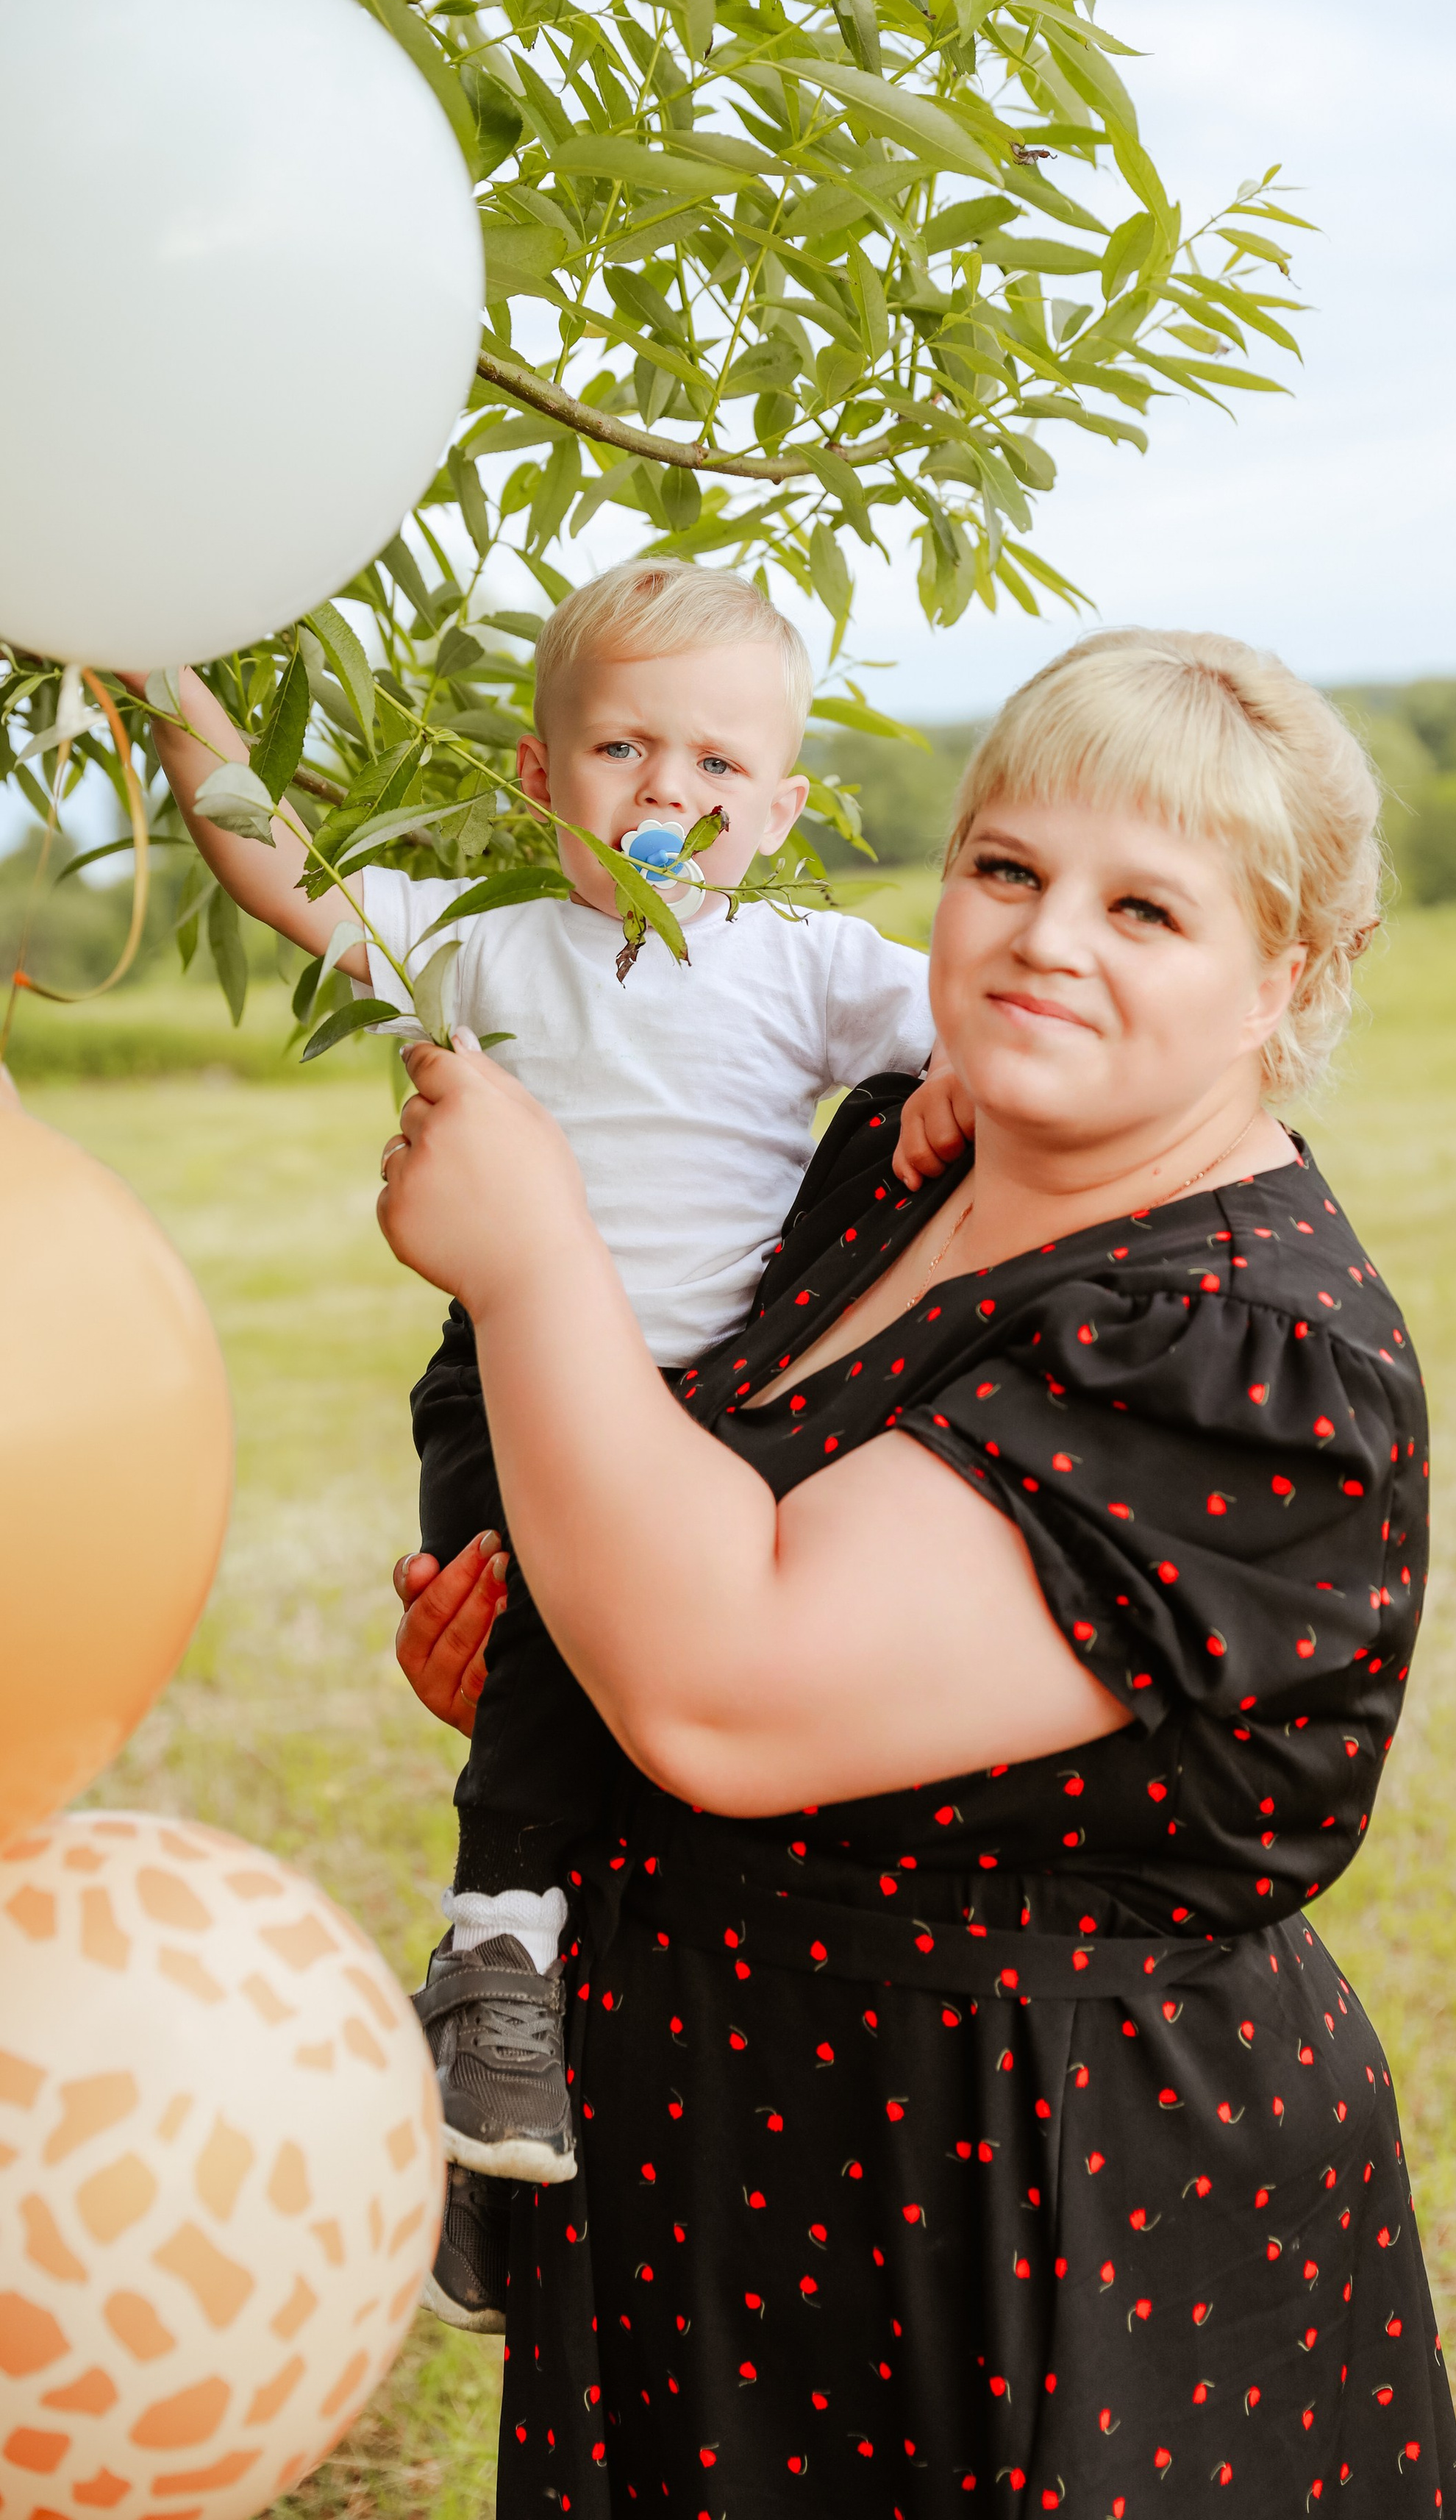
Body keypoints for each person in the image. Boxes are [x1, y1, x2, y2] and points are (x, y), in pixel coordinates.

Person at [381, 624, 1456, 2514]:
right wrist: (551, 1637)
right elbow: (684, 1551)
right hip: (709, 2159)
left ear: (1281, 976)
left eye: (1147, 909)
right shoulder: (895, 1162)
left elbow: (728, 1686)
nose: (1047, 939)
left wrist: (527, 1254)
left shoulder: (1235, 1350)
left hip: (1004, 2220)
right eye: (1005, 869)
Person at [143, 560, 965, 2292]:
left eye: (719, 767)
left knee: (664, 1750)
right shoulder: (478, 946)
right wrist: (160, 673)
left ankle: (508, 2159)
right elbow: (274, 858)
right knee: (523, 1652)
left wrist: (949, 1076)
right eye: (620, 749)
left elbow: (978, 1020)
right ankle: (493, 1966)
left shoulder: (801, 968)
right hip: (510, 1378)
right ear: (538, 780)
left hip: (714, 1413)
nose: (669, 793)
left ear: (784, 803)